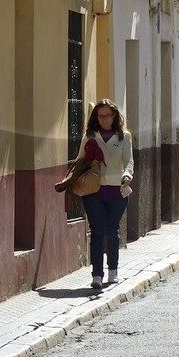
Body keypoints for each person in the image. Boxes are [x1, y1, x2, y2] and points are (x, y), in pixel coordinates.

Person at [55, 99, 133, 292]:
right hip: (93, 191)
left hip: (117, 191)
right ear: (95, 117)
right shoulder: (90, 136)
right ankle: (97, 275)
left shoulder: (124, 137)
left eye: (107, 115)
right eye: (100, 116)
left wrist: (128, 174)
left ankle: (113, 269)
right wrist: (69, 181)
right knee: (97, 232)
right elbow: (81, 161)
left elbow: (129, 160)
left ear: (114, 116)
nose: (104, 119)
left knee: (112, 231)